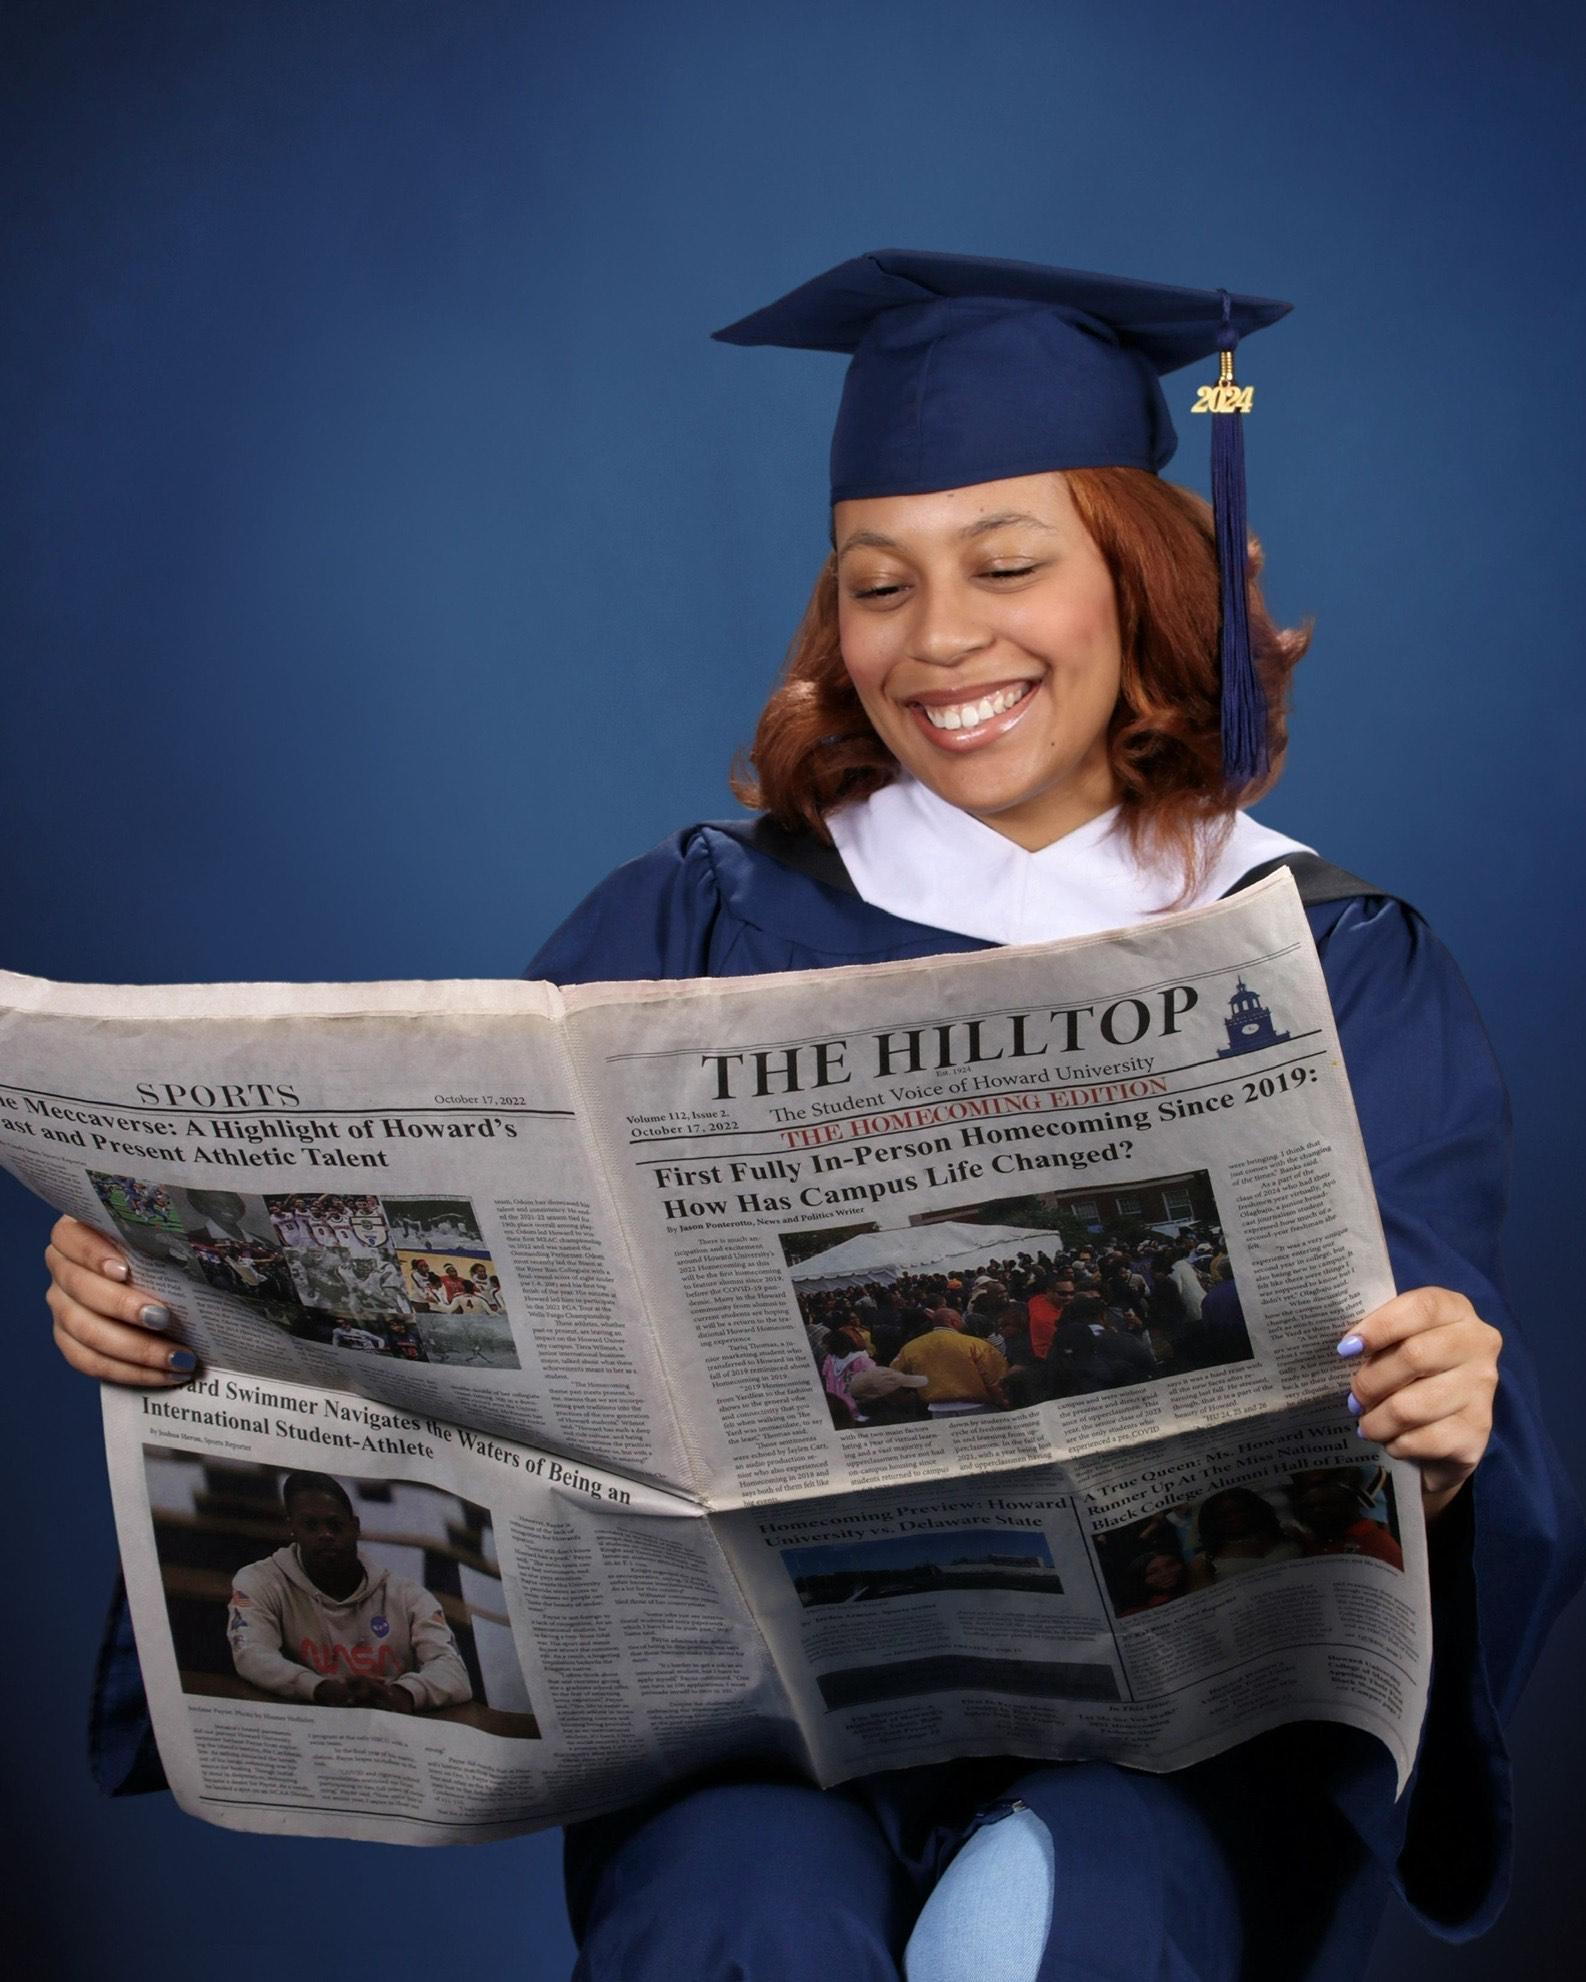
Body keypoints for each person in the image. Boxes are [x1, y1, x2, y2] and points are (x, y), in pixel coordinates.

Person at [40, 248, 1586, 1979]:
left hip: (1160, 1758)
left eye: (1009, 563)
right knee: (735, 1911)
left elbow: (1440, 1386)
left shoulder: (1331, 960)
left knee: (1094, 1903)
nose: (941, 639)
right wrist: (181, 1307)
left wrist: (1455, 1419)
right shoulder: (695, 921)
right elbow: (435, 1298)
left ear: (1144, 580)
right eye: (878, 581)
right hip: (754, 1738)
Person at [227, 1472, 473, 1712]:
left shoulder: (409, 1595)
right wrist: (318, 1688)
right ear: (292, 1527)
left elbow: (452, 1670)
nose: (325, 1535)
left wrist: (401, 1693)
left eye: (335, 1525)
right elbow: (251, 1653)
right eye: (310, 1525)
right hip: (310, 1716)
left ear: (355, 1527)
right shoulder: (259, 1580)